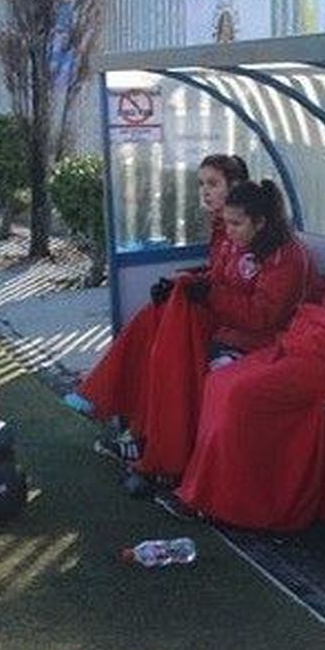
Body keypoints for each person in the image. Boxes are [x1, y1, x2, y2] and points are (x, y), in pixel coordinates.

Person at [175, 178, 325, 531]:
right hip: (310, 349)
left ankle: (243, 505)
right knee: (220, 381)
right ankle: (205, 492)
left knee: (243, 395)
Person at [79, 153, 249, 467]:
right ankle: (126, 418)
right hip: (217, 314)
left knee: (162, 347)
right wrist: (188, 279)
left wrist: (194, 285)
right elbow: (219, 276)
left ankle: (142, 434)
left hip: (232, 326)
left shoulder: (244, 228)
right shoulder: (222, 227)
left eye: (213, 184)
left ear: (235, 186)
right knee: (152, 322)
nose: (205, 191)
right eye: (201, 184)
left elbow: (246, 294)